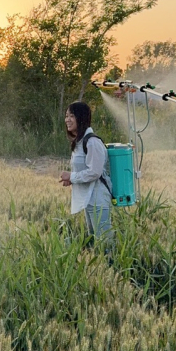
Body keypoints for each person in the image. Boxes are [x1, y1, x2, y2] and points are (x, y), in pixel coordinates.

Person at [59, 101, 113, 244]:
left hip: (98, 199)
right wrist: (71, 179)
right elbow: (86, 170)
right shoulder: (80, 141)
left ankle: (112, 259)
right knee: (95, 240)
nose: (67, 120)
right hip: (88, 198)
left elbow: (95, 172)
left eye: (72, 116)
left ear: (81, 117)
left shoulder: (92, 142)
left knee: (105, 242)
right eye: (66, 116)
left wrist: (71, 176)